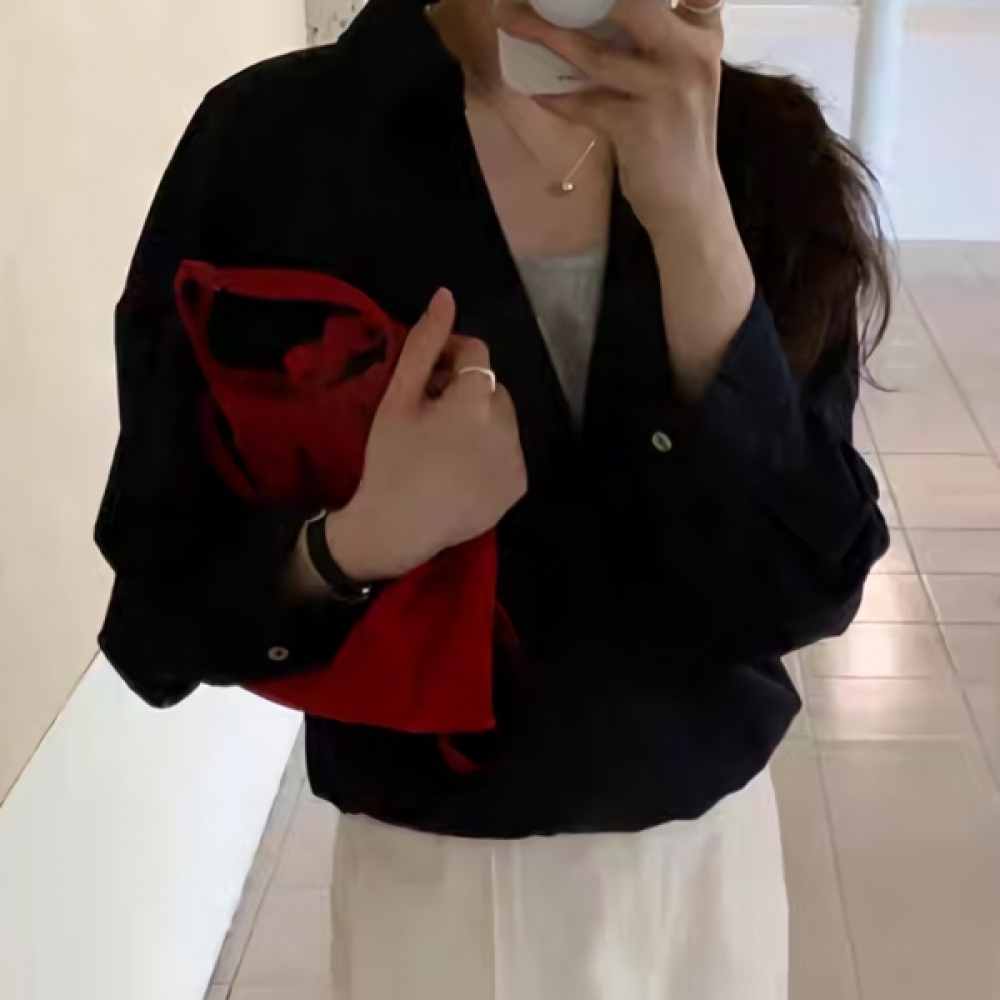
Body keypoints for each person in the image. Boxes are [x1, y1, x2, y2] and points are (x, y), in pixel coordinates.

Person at [95, 0, 892, 995]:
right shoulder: (272, 147)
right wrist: (352, 545)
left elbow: (809, 585)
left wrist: (692, 212)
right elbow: (158, 615)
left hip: (706, 883)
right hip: (434, 897)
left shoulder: (762, 153)